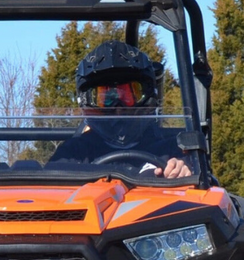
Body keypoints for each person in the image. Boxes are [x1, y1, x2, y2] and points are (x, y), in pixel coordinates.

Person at [49, 40, 191, 178]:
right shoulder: (74, 152)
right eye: (105, 98)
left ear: (147, 97)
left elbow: (200, 186)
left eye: (129, 95)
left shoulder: (172, 150)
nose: (118, 108)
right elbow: (51, 192)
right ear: (88, 102)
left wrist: (183, 170)